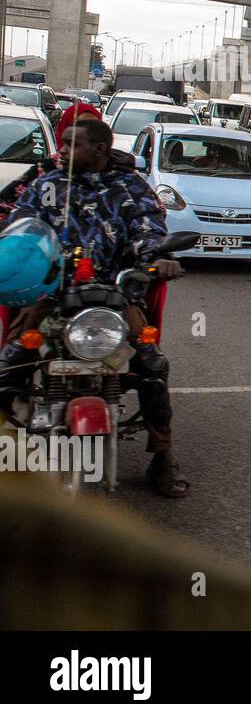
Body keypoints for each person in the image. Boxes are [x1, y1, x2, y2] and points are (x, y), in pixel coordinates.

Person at [0, 119, 189, 496]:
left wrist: (157, 258)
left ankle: (162, 458)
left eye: (73, 145)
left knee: (152, 366)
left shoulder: (130, 189)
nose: (64, 152)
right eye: (63, 144)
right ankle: (10, 447)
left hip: (114, 296)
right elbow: (21, 227)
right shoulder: (46, 185)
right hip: (49, 294)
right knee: (9, 366)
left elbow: (150, 230)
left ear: (100, 148)